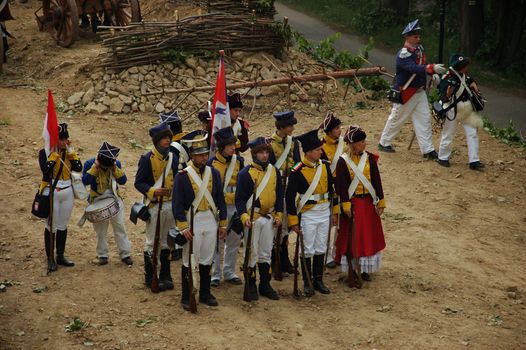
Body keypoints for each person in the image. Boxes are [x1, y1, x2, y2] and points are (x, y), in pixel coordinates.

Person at [173, 130, 227, 310]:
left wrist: (223, 223)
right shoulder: (182, 176)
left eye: (205, 154)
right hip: (192, 219)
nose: (204, 158)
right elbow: (177, 204)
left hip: (210, 219)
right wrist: (182, 226)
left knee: (206, 258)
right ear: (192, 157)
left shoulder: (214, 174)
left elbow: (220, 199)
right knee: (190, 260)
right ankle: (187, 296)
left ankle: (205, 292)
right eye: (199, 155)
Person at [378, 19, 446, 159]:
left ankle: (427, 149)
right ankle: (384, 142)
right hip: (407, 92)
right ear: (407, 37)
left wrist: (431, 74)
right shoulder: (403, 54)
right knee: (397, 118)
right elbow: (413, 68)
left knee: (424, 120)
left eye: (419, 36)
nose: (418, 39)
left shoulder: (419, 50)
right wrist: (431, 68)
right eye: (415, 36)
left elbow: (422, 65)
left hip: (419, 92)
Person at [286, 129, 339, 296]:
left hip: (324, 211)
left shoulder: (324, 166)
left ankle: (318, 279)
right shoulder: (297, 170)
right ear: (308, 152)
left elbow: (333, 190)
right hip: (308, 213)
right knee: (307, 248)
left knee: (321, 246)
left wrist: (335, 211)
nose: (320, 151)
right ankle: (307, 282)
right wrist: (293, 221)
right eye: (317, 150)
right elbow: (289, 198)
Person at [335, 125, 386, 282]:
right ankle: (352, 269)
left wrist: (380, 201)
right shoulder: (342, 162)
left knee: (368, 237)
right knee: (351, 238)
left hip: (368, 204)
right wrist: (346, 205)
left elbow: (376, 180)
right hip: (353, 204)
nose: (364, 144)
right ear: (353, 143)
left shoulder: (369, 158)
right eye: (361, 141)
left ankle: (365, 270)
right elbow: (341, 187)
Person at [236, 137, 283, 301]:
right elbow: (240, 199)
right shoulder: (245, 174)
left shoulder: (274, 171)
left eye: (266, 152)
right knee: (252, 253)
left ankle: (265, 284)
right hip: (253, 218)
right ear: (254, 154)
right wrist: (243, 216)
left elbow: (280, 195)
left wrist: (279, 214)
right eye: (261, 152)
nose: (265, 155)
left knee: (265, 253)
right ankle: (250, 285)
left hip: (269, 217)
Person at [135, 123, 179, 291]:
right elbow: (139, 183)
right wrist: (153, 191)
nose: (168, 140)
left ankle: (166, 275)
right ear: (157, 141)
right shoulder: (147, 159)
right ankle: (151, 276)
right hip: (154, 205)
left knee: (167, 241)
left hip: (170, 205)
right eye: (164, 138)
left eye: (169, 137)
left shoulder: (173, 158)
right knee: (152, 242)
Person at [38, 123, 82, 271]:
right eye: (61, 139)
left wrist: (71, 152)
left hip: (67, 190)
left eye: (66, 139)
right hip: (52, 191)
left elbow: (78, 167)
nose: (64, 142)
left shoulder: (69, 152)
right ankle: (50, 258)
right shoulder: (44, 153)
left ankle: (60, 255)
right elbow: (45, 170)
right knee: (51, 225)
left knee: (63, 225)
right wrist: (54, 155)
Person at [82, 142, 133, 266]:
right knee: (100, 231)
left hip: (114, 198)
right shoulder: (89, 164)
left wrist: (115, 169)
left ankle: (125, 254)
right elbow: (85, 181)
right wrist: (95, 167)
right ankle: (102, 255)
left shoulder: (116, 164)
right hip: (98, 200)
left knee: (120, 227)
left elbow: (123, 181)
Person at [208, 127, 244, 287]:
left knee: (234, 240)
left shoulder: (239, 161)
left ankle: (229, 271)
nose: (233, 147)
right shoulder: (211, 163)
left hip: (235, 205)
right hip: (218, 207)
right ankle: (214, 274)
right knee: (217, 242)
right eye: (230, 145)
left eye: (234, 144)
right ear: (222, 146)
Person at [436, 53, 485, 170]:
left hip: (466, 109)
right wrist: (448, 93)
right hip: (452, 109)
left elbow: (471, 83)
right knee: (448, 133)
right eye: (463, 65)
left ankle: (474, 160)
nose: (466, 67)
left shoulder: (466, 77)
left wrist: (475, 86)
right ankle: (443, 157)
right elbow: (443, 98)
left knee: (472, 133)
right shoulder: (447, 78)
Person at [268, 111, 301, 275]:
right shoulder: (269, 144)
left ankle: (285, 259)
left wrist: (293, 176)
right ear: (281, 127)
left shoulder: (293, 143)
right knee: (277, 225)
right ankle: (275, 261)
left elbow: (298, 163)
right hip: (276, 187)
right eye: (290, 126)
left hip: (290, 186)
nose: (292, 128)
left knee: (287, 223)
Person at [160, 110, 188, 261]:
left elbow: (172, 167)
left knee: (176, 215)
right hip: (192, 180)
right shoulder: (189, 139)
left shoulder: (172, 148)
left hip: (178, 181)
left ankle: (176, 247)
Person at [319, 112, 345, 269]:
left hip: (343, 186)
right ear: (329, 131)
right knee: (328, 223)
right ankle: (326, 255)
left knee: (341, 223)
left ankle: (337, 253)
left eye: (339, 127)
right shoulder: (321, 147)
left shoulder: (344, 144)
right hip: (329, 187)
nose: (339, 130)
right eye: (336, 128)